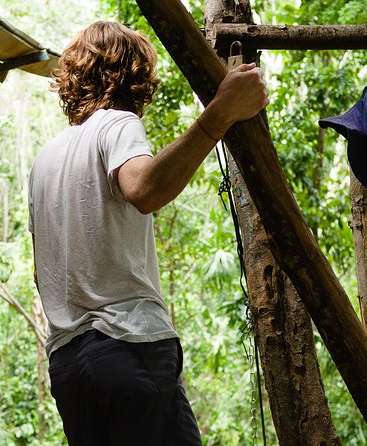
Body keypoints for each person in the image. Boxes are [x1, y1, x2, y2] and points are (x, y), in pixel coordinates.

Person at [28, 21, 268, 446]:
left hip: (68, 368)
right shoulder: (116, 124)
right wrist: (219, 116)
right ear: (133, 77)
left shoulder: (45, 161)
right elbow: (143, 188)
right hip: (127, 346)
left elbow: (41, 274)